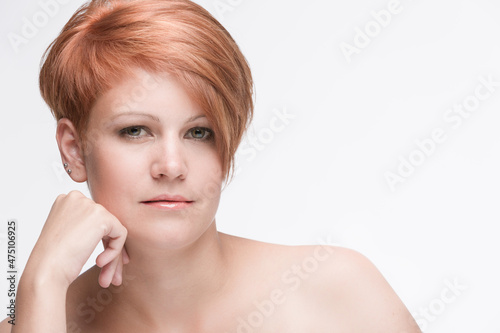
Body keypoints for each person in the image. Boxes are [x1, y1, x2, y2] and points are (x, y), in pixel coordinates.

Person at [1, 0, 421, 331]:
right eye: (135, 131)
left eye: (199, 133)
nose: (171, 165)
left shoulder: (336, 291)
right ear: (74, 150)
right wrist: (42, 282)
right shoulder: (40, 320)